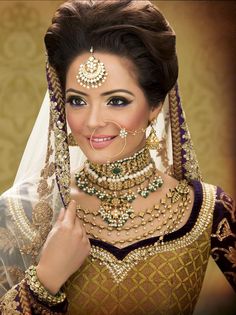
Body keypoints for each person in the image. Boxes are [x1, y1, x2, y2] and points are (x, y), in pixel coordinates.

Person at [0, 0, 235, 314]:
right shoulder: (24, 212)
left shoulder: (205, 211)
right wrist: (45, 279)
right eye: (77, 101)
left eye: (117, 101)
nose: (93, 120)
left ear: (154, 106)